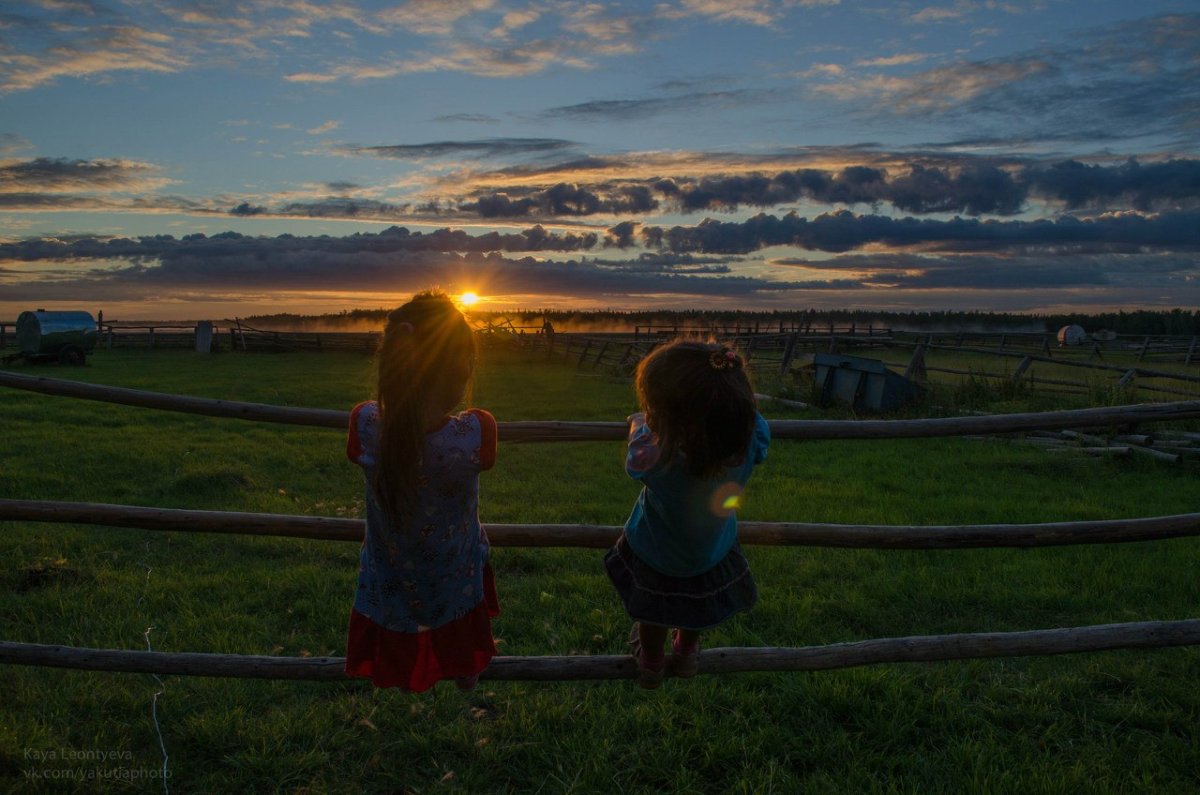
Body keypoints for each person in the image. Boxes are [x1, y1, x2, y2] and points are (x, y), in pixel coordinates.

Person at [344, 291, 499, 692]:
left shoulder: (365, 424)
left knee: (398, 613)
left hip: (391, 575)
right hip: (455, 577)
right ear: (460, 370)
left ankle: (397, 671)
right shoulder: (476, 432)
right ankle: (465, 667)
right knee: (457, 609)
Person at [604, 339, 770, 688]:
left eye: (651, 407)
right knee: (697, 605)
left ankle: (650, 661)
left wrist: (638, 423)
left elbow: (636, 454)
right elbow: (754, 423)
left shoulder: (658, 457)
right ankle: (688, 652)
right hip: (712, 551)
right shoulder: (748, 439)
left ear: (669, 417)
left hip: (655, 551)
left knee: (652, 613)